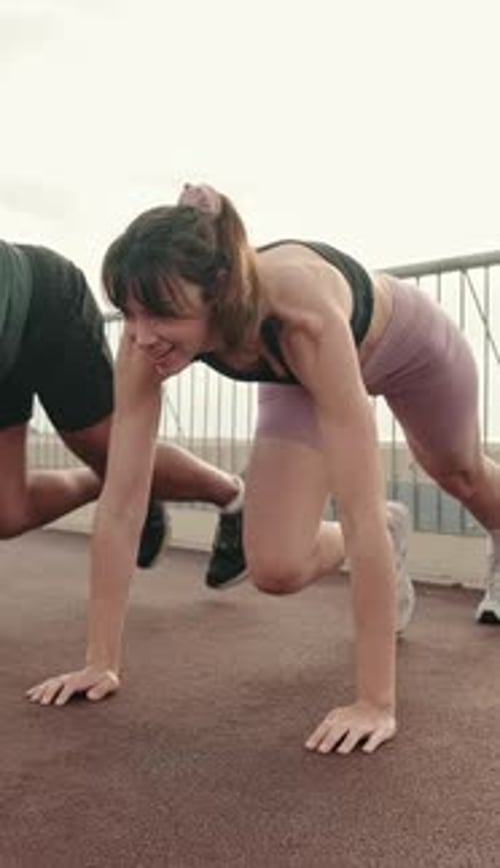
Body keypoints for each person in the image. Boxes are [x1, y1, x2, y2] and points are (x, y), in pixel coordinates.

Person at [28, 183, 498, 756]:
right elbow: (124, 502)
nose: (141, 333)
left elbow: (356, 505)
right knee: (275, 566)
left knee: (459, 471)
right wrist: (100, 663)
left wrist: (375, 703)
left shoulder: (302, 318)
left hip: (409, 350)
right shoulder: (141, 343)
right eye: (129, 311)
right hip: (295, 380)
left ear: (221, 289)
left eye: (161, 313)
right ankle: (397, 528)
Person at [0, 238, 244, 567]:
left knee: (107, 447)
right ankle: (123, 484)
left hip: (40, 296)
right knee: (7, 513)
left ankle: (234, 499)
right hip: (6, 345)